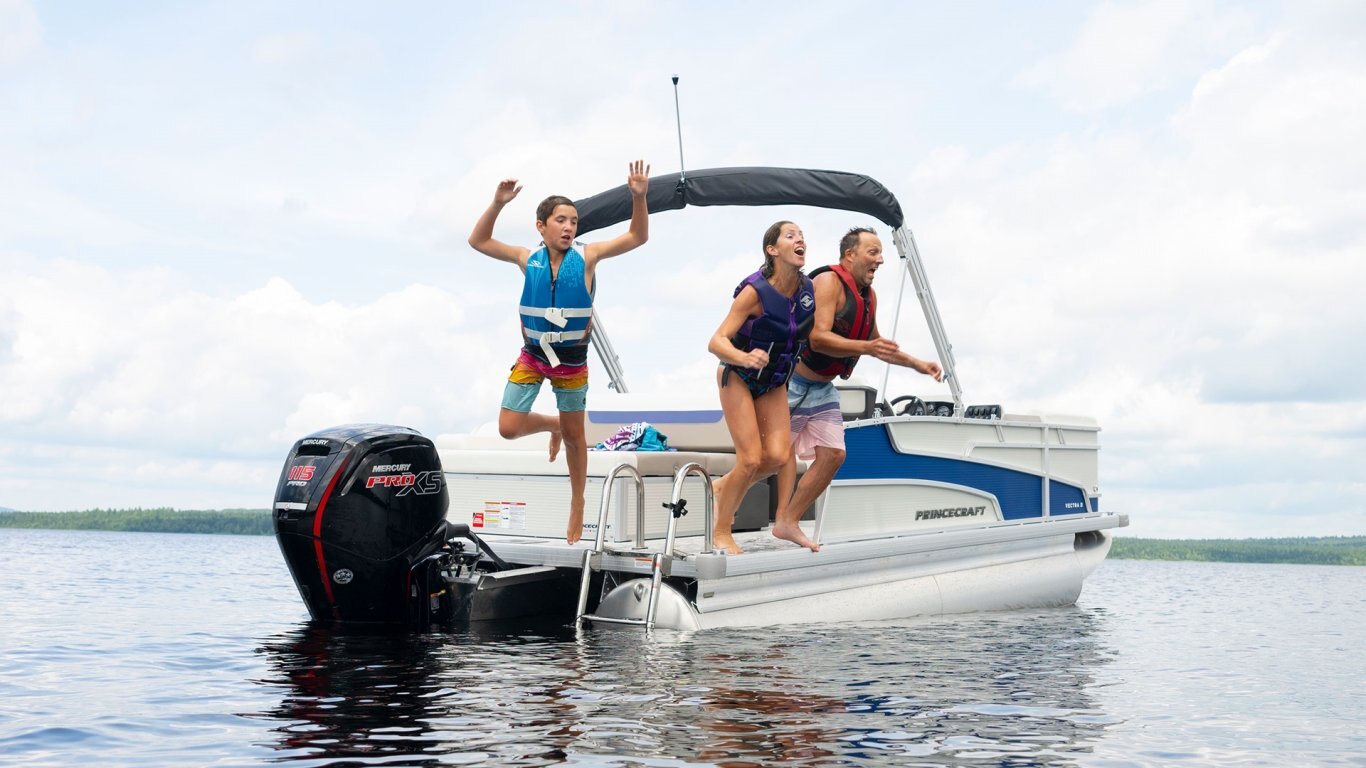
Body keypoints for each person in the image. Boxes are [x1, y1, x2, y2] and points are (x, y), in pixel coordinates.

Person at [467, 160, 650, 545]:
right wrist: (498, 203)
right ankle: (553, 424)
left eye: (574, 222)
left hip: (572, 362)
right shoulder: (526, 259)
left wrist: (639, 198)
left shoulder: (588, 257)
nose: (569, 227)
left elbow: (637, 237)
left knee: (575, 438)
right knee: (508, 428)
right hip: (533, 356)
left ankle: (577, 502)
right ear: (542, 226)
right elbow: (478, 241)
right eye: (561, 220)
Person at [771, 226, 944, 552]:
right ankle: (721, 498)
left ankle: (787, 522)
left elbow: (877, 345)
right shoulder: (828, 282)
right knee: (769, 459)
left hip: (823, 389)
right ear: (850, 255)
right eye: (873, 252)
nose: (880, 260)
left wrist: (917, 364)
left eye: (881, 253)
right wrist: (865, 347)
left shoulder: (868, 296)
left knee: (834, 454)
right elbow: (817, 338)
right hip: (793, 383)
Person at [706, 221, 815, 554]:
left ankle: (723, 487)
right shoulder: (754, 292)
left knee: (778, 457)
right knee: (751, 459)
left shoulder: (807, 290)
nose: (800, 239)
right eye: (790, 235)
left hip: (773, 381)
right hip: (738, 375)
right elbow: (716, 341)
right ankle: (721, 530)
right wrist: (744, 357)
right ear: (772, 249)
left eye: (802, 235)